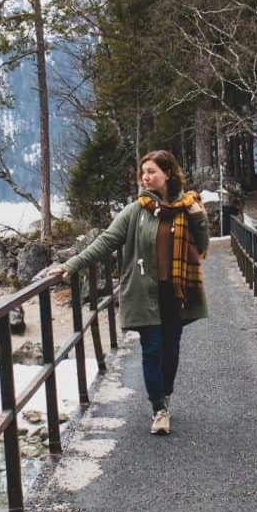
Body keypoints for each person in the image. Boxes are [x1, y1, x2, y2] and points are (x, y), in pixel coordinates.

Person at [48, 150, 210, 435]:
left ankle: (166, 393)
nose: (146, 177)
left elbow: (203, 244)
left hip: (175, 291)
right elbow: (107, 241)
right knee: (152, 348)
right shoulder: (136, 210)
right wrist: (71, 265)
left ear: (168, 173)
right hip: (142, 291)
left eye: (152, 171)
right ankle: (158, 409)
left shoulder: (189, 206)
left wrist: (197, 218)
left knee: (171, 350)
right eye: (143, 172)